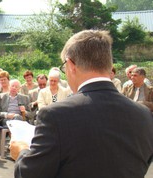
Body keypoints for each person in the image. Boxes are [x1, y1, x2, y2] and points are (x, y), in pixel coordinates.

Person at [10, 30, 153, 178]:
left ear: (70, 65)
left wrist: (21, 151)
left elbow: (29, 174)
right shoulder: (144, 115)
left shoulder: (55, 115)